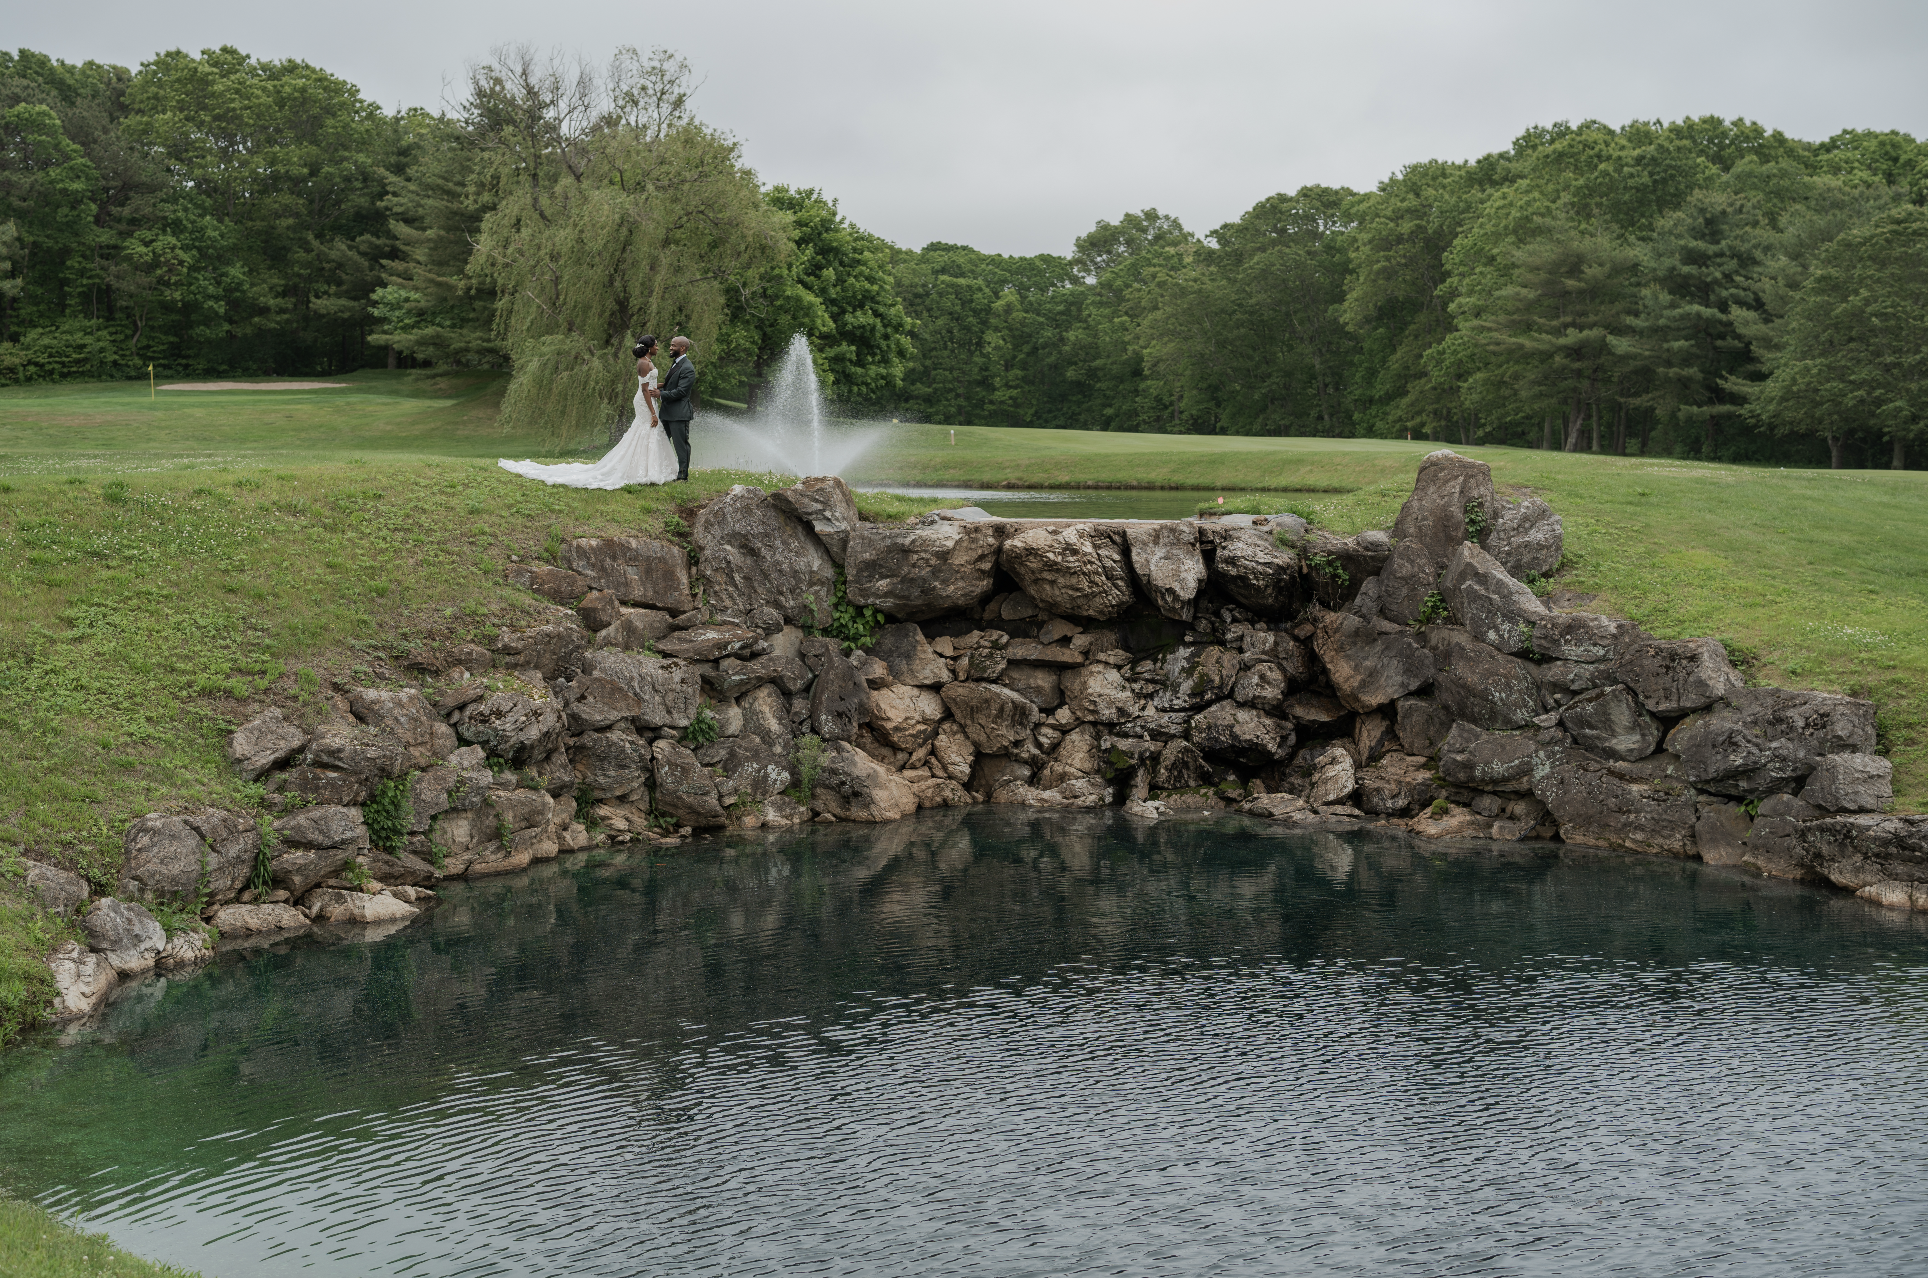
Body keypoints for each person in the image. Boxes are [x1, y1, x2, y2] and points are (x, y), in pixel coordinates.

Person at [497, 336, 679, 488]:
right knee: (646, 429)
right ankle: (643, 470)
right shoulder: (643, 363)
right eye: (655, 345)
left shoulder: (647, 361)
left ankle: (647, 468)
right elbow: (645, 389)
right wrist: (653, 413)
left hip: (649, 399)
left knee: (646, 432)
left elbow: (651, 386)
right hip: (645, 401)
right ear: (648, 348)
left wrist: (667, 386)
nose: (658, 347)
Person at [657, 335, 696, 482]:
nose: (670, 347)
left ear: (682, 348)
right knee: (661, 442)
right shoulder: (676, 363)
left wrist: (660, 394)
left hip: (679, 414)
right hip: (666, 412)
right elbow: (674, 383)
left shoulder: (688, 368)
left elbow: (681, 392)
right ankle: (664, 471)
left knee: (681, 446)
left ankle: (682, 476)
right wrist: (662, 385)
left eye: (673, 345)